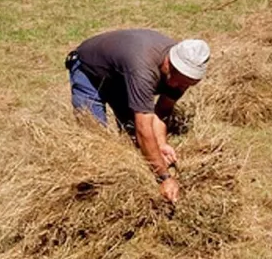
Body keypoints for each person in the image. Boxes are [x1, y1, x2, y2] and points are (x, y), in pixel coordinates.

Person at [66, 29, 210, 202]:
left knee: (134, 138)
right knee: (95, 141)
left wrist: (161, 144)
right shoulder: (143, 69)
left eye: (186, 83)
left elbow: (162, 110)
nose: (176, 85)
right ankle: (91, 197)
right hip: (88, 70)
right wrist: (164, 177)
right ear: (170, 62)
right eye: (177, 78)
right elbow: (144, 128)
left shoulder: (182, 76)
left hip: (121, 77)